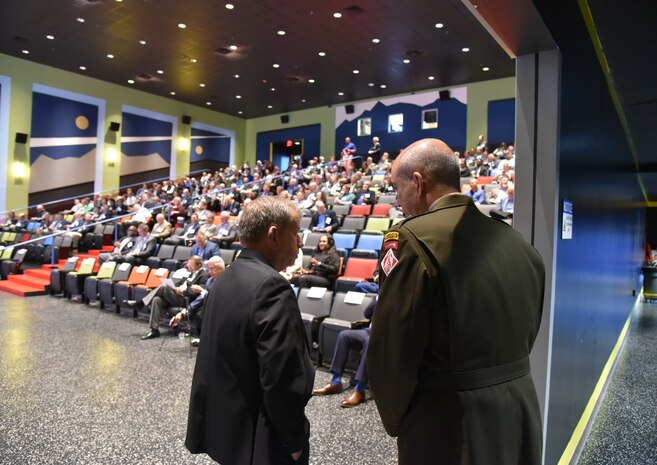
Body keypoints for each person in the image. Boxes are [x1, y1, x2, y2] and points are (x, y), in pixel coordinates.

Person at [367, 138, 545, 465]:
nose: (398, 200)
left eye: (397, 188)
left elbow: (392, 348)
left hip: (449, 422)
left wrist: (396, 419)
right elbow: (529, 329)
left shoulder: (410, 237)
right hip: (519, 410)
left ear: (418, 183)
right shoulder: (517, 242)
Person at [186, 196, 314, 465]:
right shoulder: (272, 286)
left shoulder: (225, 277)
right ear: (274, 235)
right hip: (262, 441)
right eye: (296, 232)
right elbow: (283, 377)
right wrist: (293, 440)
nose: (300, 242)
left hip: (227, 430)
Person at [312, 296, 376, 408]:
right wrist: (378, 298)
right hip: (369, 331)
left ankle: (360, 390)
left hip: (383, 334)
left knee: (369, 341)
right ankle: (336, 382)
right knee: (344, 335)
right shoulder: (380, 294)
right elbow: (367, 314)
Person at [126, 255, 210, 340]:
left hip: (185, 300)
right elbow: (180, 284)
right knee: (156, 299)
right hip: (177, 296)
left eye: (191, 264)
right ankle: (154, 330)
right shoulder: (191, 273)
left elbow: (199, 292)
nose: (189, 266)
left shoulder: (204, 275)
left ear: (199, 265)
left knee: (163, 287)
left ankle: (141, 303)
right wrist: (175, 287)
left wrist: (183, 291)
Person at [169, 256, 225, 346]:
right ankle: (202, 338)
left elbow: (218, 298)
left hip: (223, 308)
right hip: (209, 306)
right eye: (209, 269)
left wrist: (202, 291)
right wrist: (183, 313)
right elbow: (200, 299)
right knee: (199, 312)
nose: (209, 272)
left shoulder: (227, 280)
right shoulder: (210, 280)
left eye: (211, 269)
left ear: (220, 268)